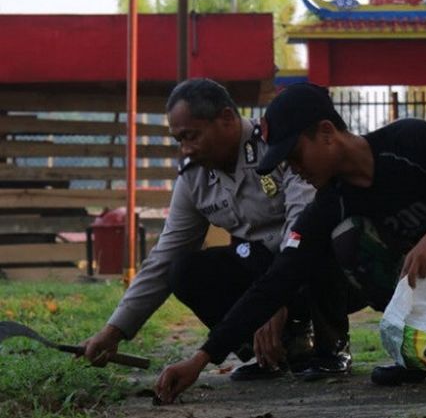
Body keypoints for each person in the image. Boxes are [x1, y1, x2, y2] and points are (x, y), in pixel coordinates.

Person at [152, 82, 426, 402]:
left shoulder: (411, 141)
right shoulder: (332, 202)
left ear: (327, 132)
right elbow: (276, 281)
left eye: (294, 157)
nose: (293, 170)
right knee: (346, 239)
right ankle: (419, 353)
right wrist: (202, 358)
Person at [81, 78, 349, 390]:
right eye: (179, 140)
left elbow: (302, 223)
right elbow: (163, 256)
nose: (186, 149)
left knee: (317, 238)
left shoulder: (276, 145)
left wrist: (278, 296)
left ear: (225, 118)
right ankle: (271, 353)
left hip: (314, 264)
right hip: (262, 274)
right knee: (183, 270)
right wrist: (113, 331)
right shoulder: (194, 178)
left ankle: (331, 347)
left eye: (191, 136)